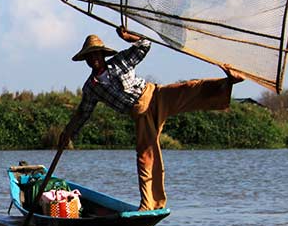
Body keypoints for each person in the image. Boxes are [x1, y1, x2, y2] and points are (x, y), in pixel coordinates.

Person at [59, 26, 244, 211]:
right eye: (90, 57)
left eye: (96, 55)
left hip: (155, 95)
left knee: (189, 88)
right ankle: (150, 204)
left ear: (102, 54)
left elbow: (145, 44)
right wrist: (67, 134)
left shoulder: (120, 62)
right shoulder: (92, 87)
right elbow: (82, 114)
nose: (94, 59)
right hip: (141, 115)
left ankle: (228, 82)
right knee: (145, 158)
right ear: (86, 60)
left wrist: (128, 37)